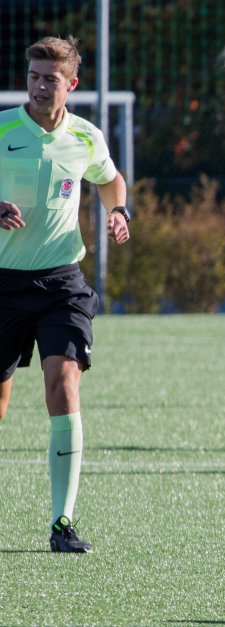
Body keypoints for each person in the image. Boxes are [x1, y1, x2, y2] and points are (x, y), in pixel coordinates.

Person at [0, 36, 132, 553]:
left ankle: (63, 522)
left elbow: (111, 180)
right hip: (4, 281)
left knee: (64, 384)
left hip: (62, 283)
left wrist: (119, 211)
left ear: (70, 85)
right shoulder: (5, 128)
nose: (37, 85)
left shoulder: (85, 136)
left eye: (49, 78)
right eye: (32, 75)